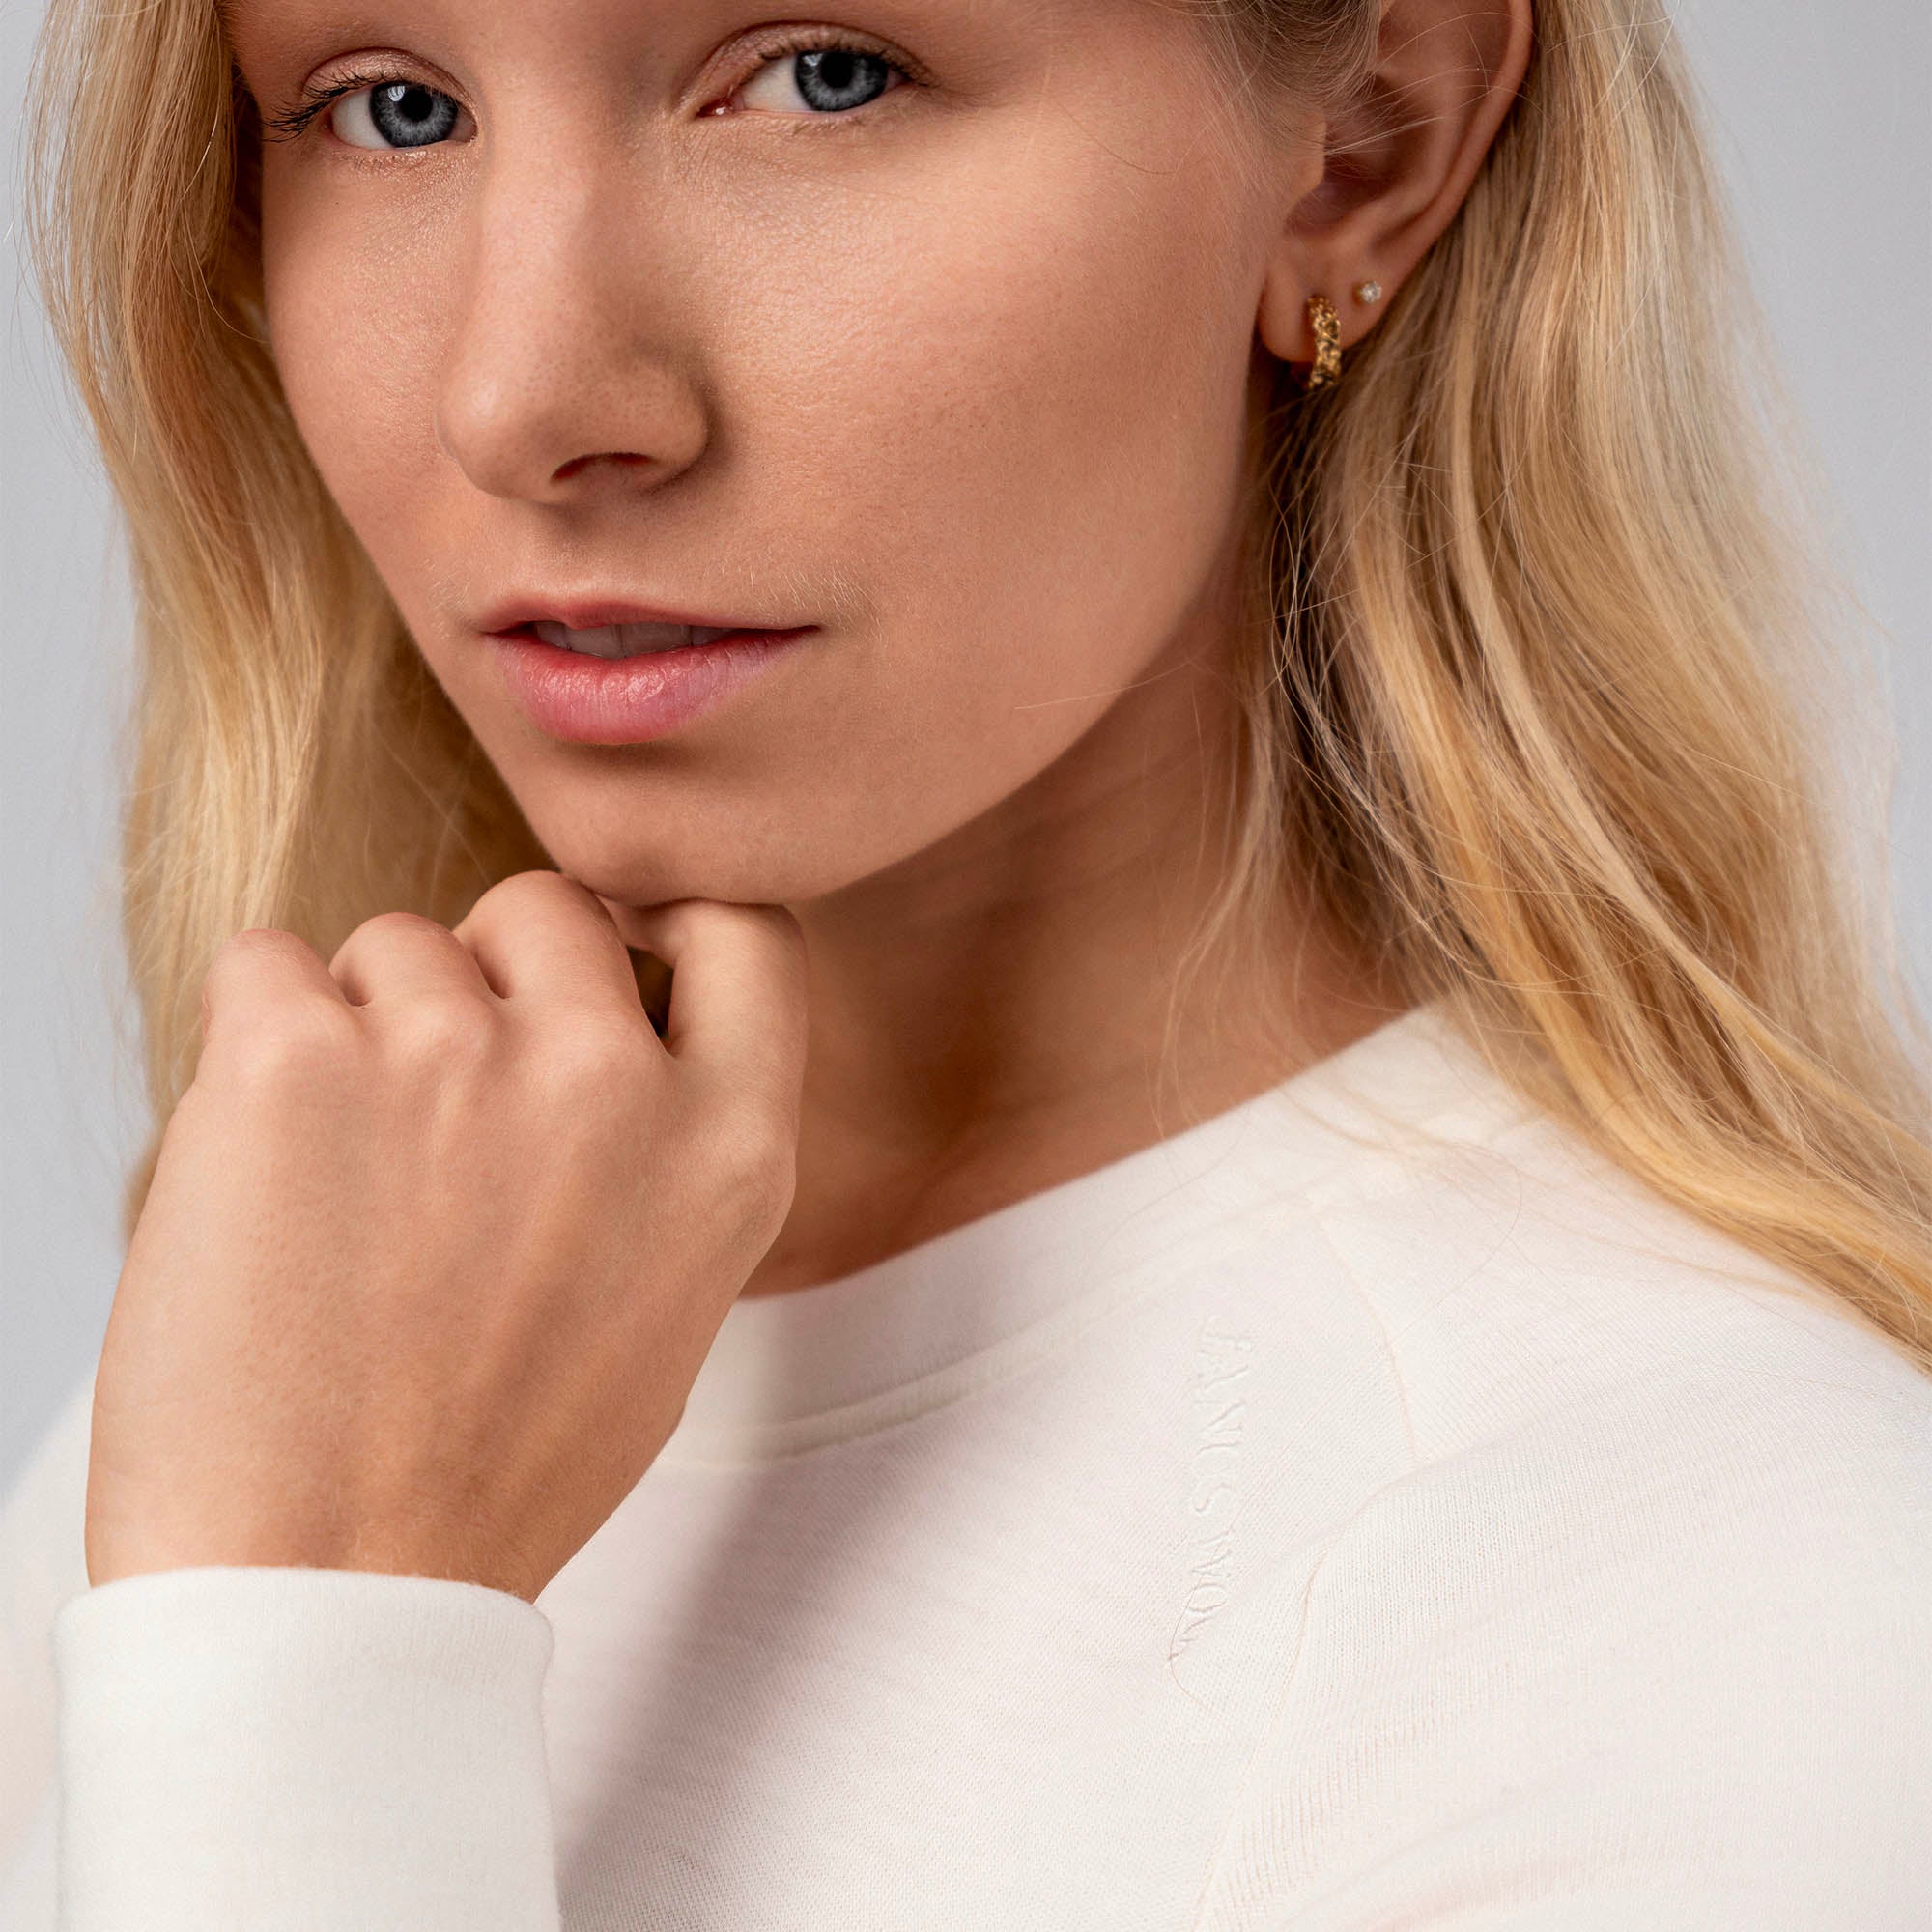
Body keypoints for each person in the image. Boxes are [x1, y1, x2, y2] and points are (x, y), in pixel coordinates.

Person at [2, 0, 1928, 1923]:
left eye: (824, 74)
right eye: (392, 109)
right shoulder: (327, 1354)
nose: (524, 394)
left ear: (1368, 144)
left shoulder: (1707, 1611)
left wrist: (312, 1657)